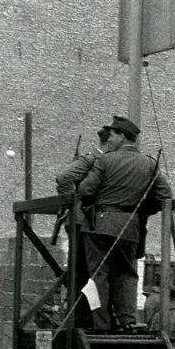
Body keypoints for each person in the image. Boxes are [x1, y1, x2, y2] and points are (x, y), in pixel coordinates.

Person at [76, 115, 172, 332]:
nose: (109, 138)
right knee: (127, 275)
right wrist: (141, 210)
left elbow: (85, 191)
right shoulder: (149, 163)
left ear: (121, 136)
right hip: (131, 227)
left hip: (99, 225)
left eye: (112, 134)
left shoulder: (105, 160)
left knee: (98, 275)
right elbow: (166, 197)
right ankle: (127, 321)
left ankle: (101, 324)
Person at [54, 127, 112, 329]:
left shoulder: (103, 160)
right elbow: (64, 178)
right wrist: (73, 204)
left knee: (91, 273)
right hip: (81, 223)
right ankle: (81, 318)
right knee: (82, 273)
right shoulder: (92, 159)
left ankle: (87, 318)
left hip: (92, 223)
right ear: (108, 142)